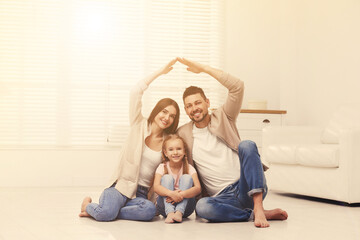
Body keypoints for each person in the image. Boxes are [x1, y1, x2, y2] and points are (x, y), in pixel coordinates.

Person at [176, 57, 288, 228]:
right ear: (186, 110)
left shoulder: (224, 115)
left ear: (207, 103)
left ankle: (258, 207)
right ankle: (252, 215)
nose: (194, 108)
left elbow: (237, 86)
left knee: (247, 145)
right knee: (202, 207)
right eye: (189, 106)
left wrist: (204, 68)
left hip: (247, 185)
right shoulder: (183, 133)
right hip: (222, 197)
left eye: (198, 102)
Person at [79, 59, 180, 222]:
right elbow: (135, 91)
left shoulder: (168, 142)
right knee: (106, 215)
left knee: (149, 211)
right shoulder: (138, 123)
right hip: (120, 187)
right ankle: (89, 206)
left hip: (141, 193)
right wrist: (160, 72)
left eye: (172, 116)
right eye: (164, 111)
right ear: (156, 111)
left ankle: (108, 210)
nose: (167, 117)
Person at [153, 134, 201, 223]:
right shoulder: (162, 167)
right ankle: (170, 213)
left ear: (184, 152)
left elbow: (198, 188)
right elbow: (156, 187)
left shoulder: (189, 168)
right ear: (165, 153)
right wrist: (171, 194)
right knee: (167, 178)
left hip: (185, 209)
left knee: (187, 177)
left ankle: (179, 212)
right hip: (164, 207)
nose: (175, 152)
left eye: (179, 149)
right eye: (171, 149)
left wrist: (181, 195)